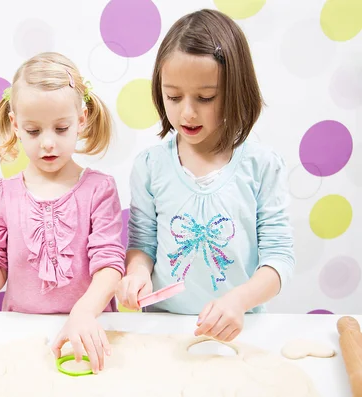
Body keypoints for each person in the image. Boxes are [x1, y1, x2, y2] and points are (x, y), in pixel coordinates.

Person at [116, 9, 295, 342]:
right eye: (173, 96)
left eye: (206, 97)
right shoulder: (150, 166)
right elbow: (143, 245)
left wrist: (239, 300)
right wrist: (137, 272)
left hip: (239, 330)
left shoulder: (262, 165)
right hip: (163, 330)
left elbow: (279, 258)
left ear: (236, 90)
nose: (187, 111)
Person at [0, 52, 125, 373]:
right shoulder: (3, 193)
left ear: (81, 120)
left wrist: (82, 314)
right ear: (15, 124)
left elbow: (111, 267)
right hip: (22, 337)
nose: (47, 143)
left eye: (60, 128)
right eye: (33, 131)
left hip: (90, 331)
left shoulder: (99, 189)